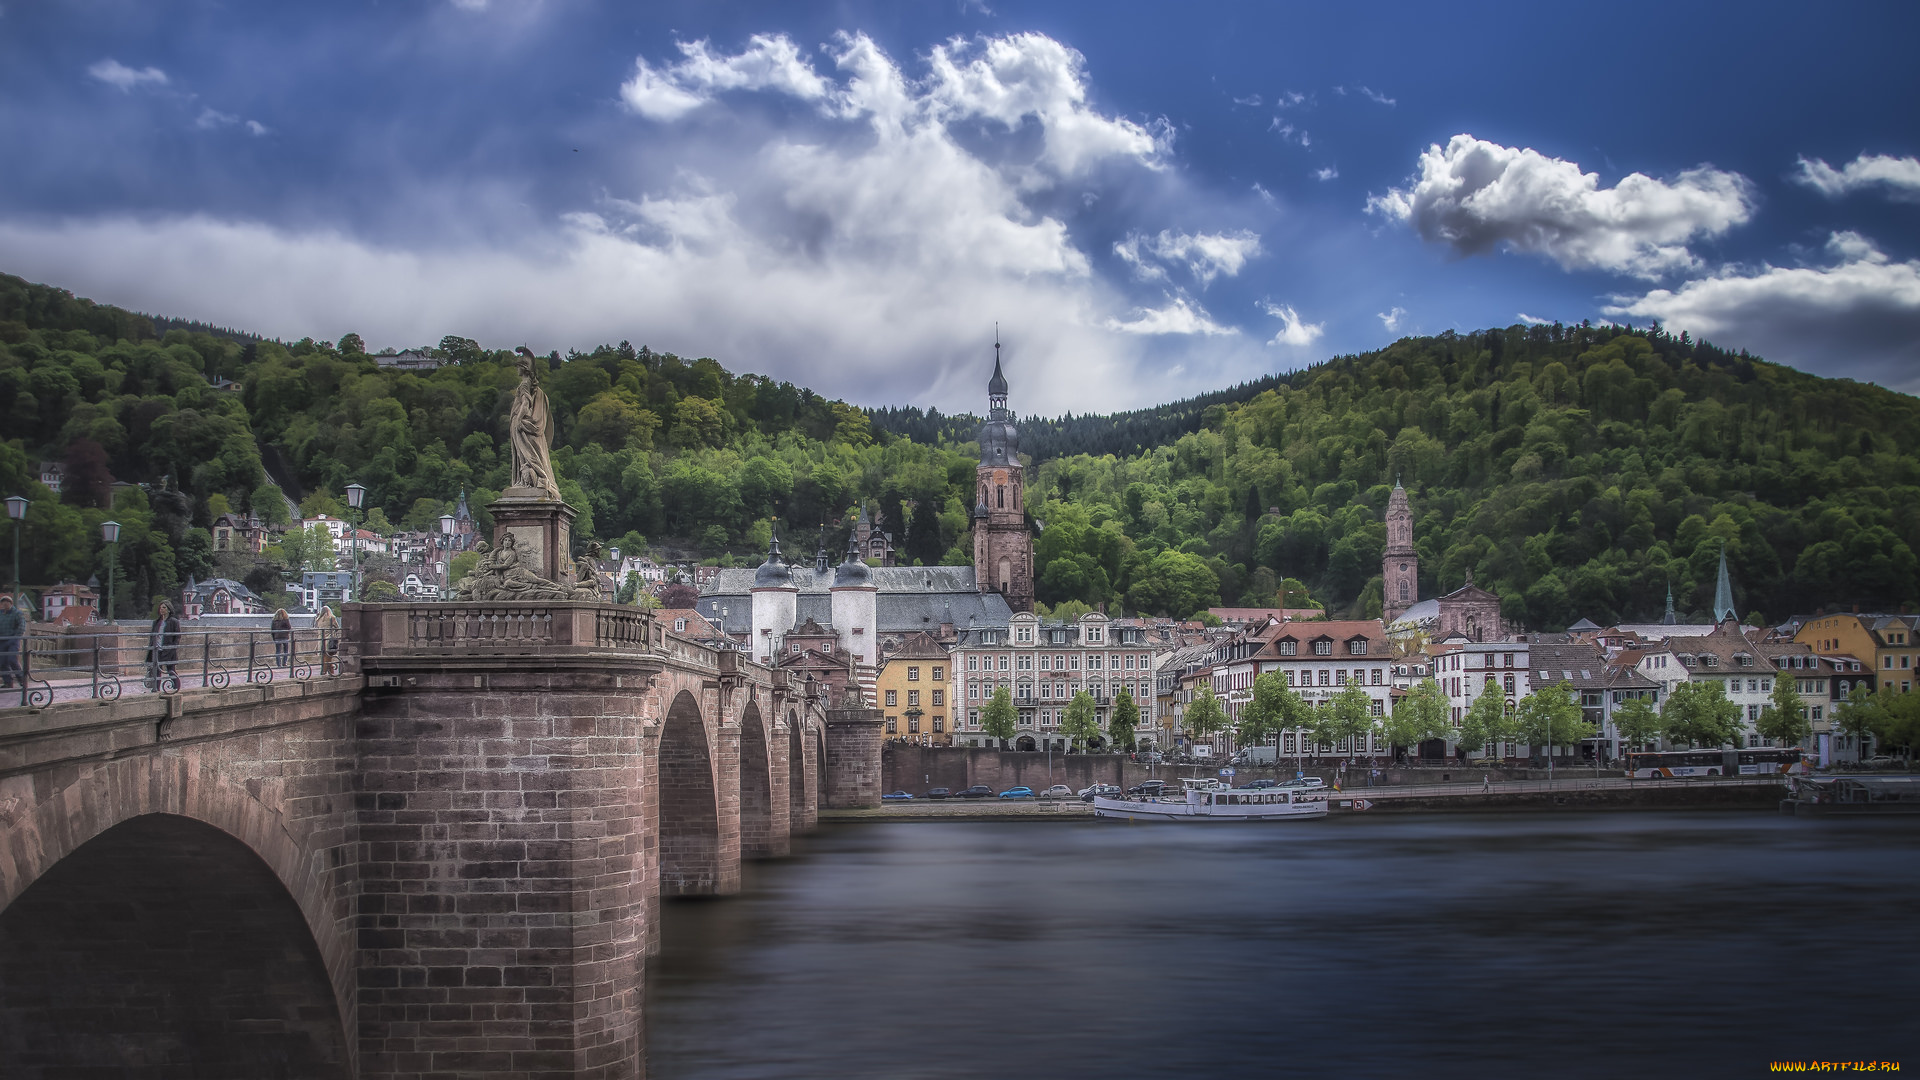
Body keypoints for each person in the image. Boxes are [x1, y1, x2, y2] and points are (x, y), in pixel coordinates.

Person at [146, 600, 181, 690]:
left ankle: (176, 687)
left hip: (168, 649)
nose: (161, 609)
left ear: (169, 609)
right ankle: (156, 688)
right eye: (160, 608)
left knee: (171, 669)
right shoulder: (157, 622)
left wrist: (173, 647)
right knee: (156, 670)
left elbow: (177, 636)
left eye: (164, 607)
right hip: (157, 649)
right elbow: (152, 636)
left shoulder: (174, 621)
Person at [0, 594, 24, 690]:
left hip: (13, 640)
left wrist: (15, 637)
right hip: (2, 640)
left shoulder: (17, 613)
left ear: (11, 603)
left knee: (12, 660)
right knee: (2, 662)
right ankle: (8, 682)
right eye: (3, 602)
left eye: (7, 602)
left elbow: (21, 626)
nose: (5, 604)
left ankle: (21, 679)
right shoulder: (1, 614)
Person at [315, 604, 340, 676]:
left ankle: (329, 670)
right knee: (329, 655)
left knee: (323, 656)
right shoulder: (332, 618)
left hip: (320, 639)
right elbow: (337, 627)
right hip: (329, 639)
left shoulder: (318, 619)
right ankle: (324, 671)